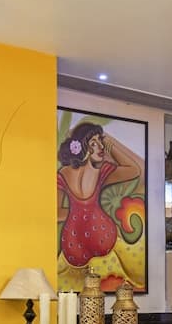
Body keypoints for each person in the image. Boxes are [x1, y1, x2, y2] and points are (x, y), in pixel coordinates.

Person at [57, 121, 145, 290]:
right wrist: (112, 147)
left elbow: (134, 170)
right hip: (86, 243)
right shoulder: (96, 172)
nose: (101, 147)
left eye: (101, 141)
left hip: (83, 243)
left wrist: (77, 214)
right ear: (82, 147)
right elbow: (133, 169)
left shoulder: (96, 172)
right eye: (94, 143)